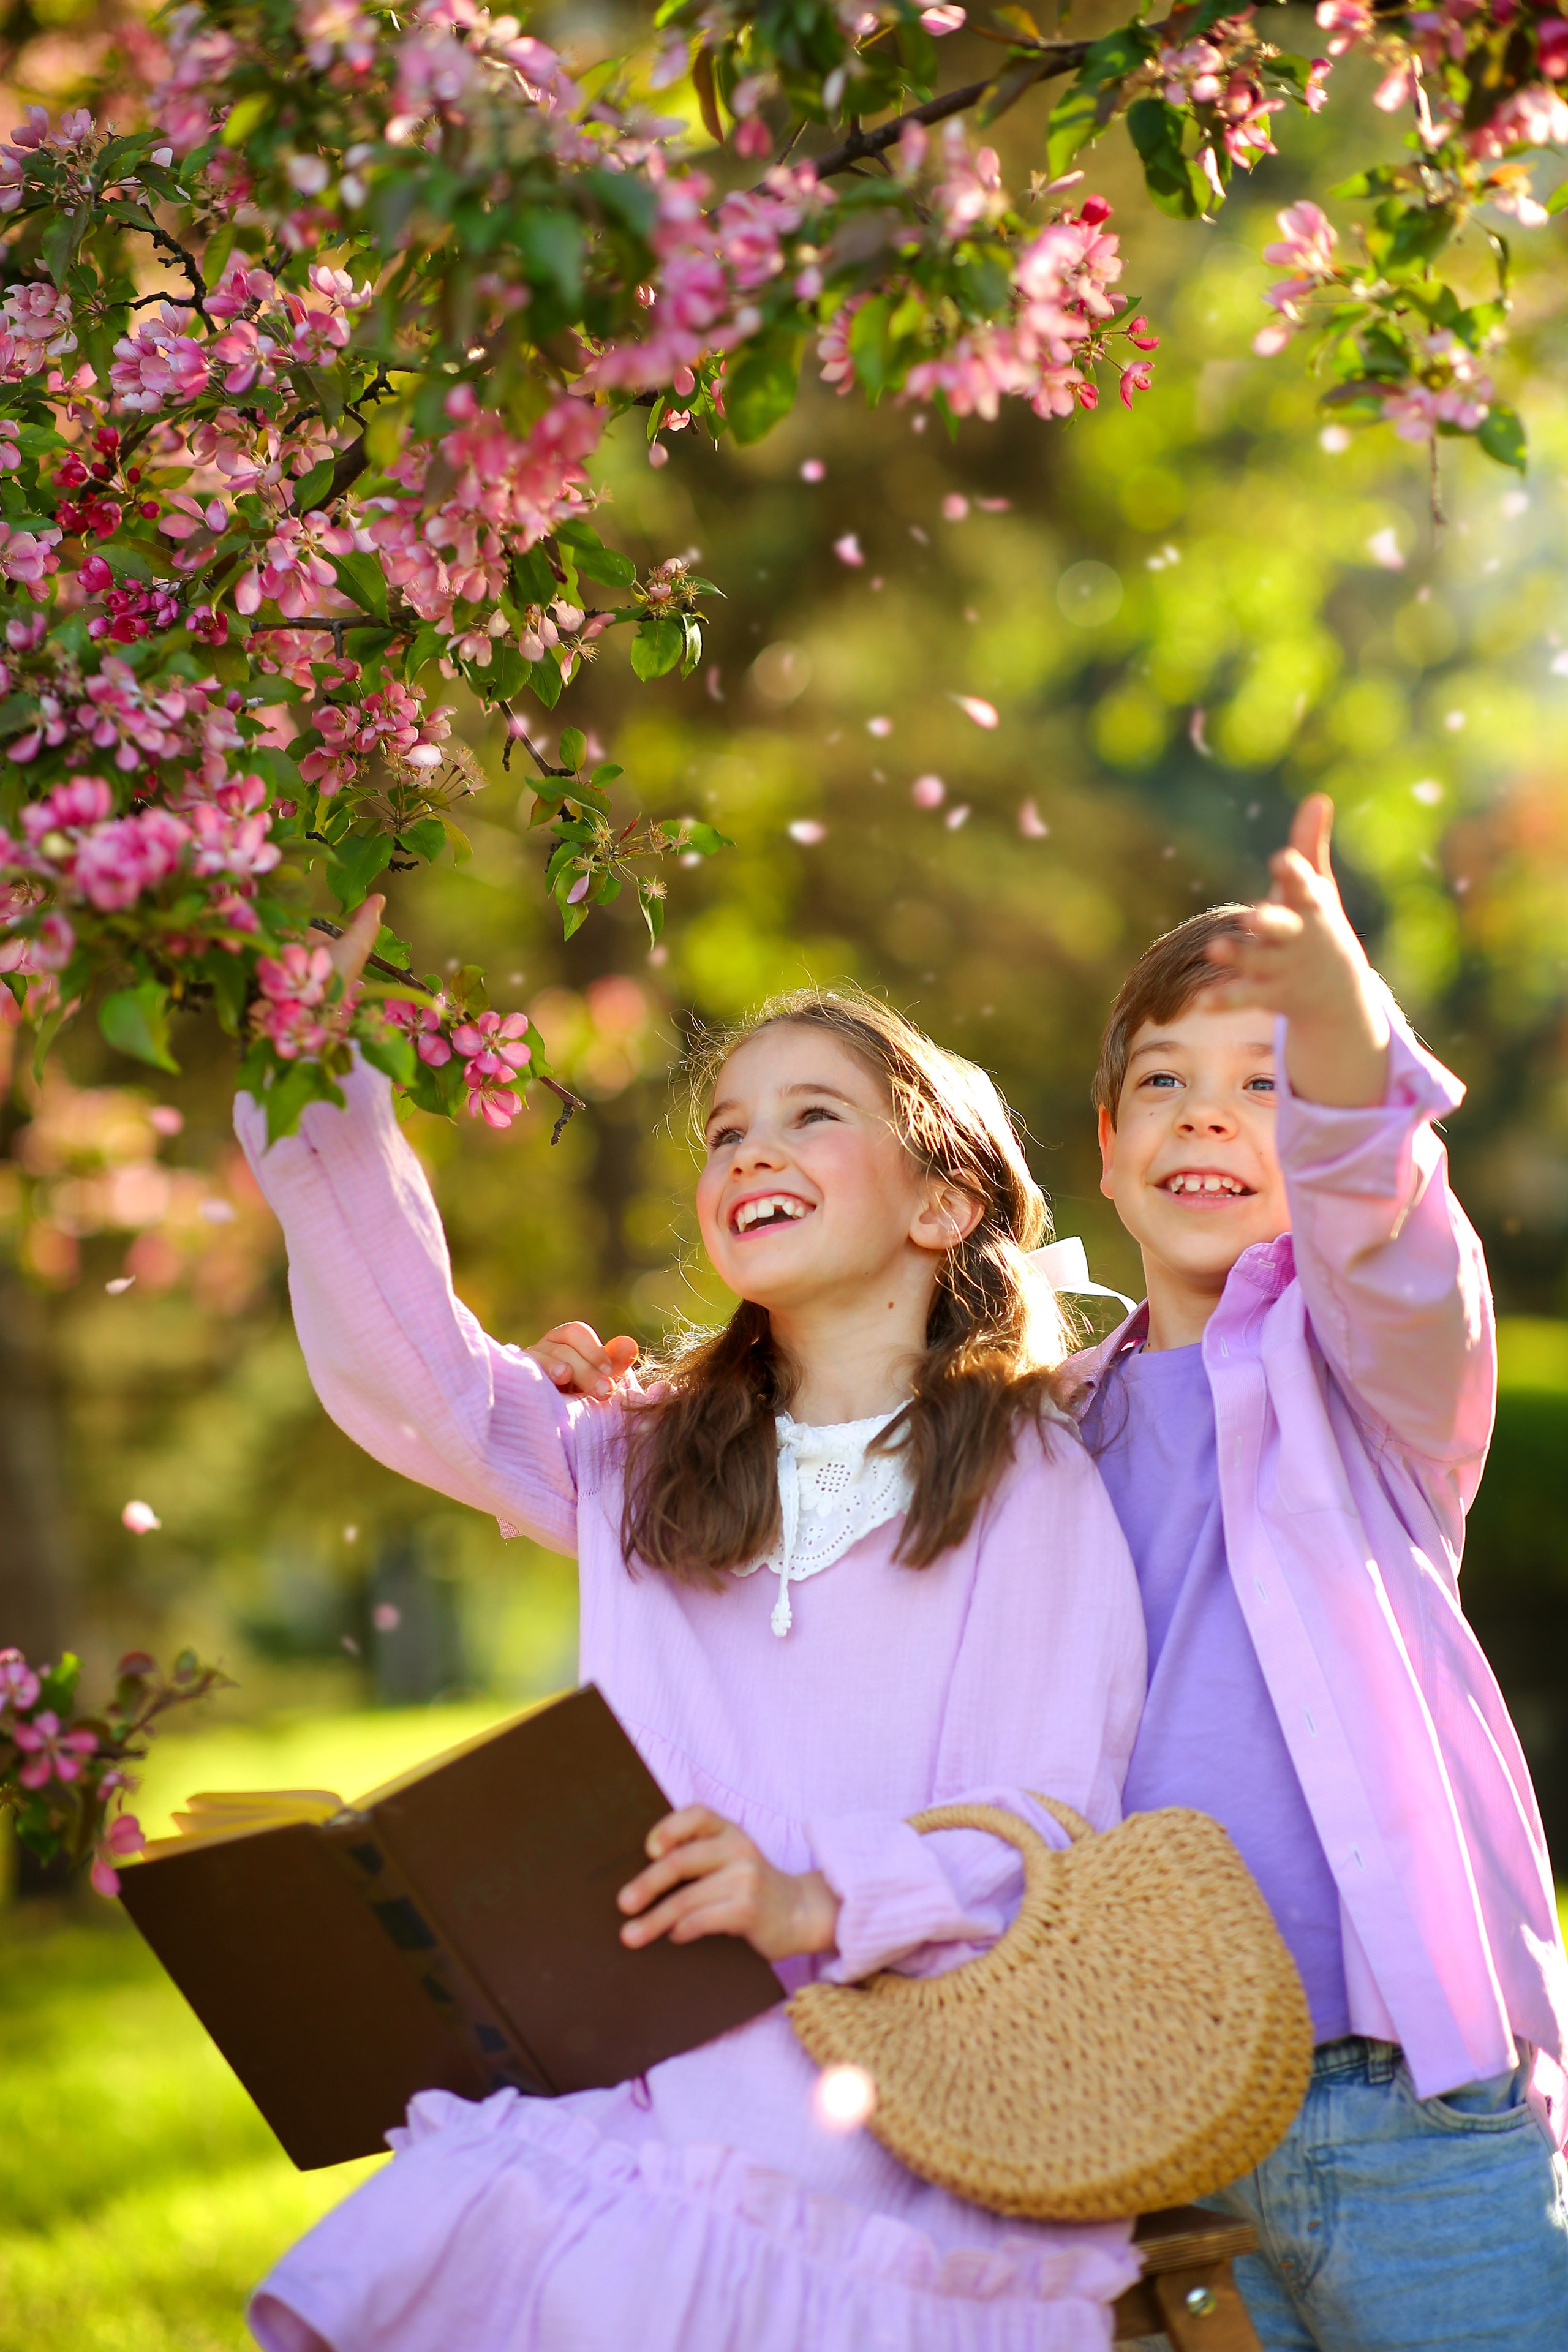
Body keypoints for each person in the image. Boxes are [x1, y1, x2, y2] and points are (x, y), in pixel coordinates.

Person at [536, 797, 1568, 2351]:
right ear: (1104, 1143)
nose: (1208, 1118)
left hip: (1400, 2093)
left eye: (1265, 1089)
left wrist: (1348, 1046)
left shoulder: (1375, 1389)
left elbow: (1392, 1240)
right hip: (1121, 2087)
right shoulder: (1032, 1433)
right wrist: (614, 1398)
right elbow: (831, 1476)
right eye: (1162, 1083)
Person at [235, 931, 1149, 2352]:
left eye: (811, 1116)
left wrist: (811, 1897)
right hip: (645, 2068)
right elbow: (419, 1382)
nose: (746, 1151)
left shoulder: (1024, 1479)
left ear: (940, 1201)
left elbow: (1045, 1816)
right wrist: (317, 1064)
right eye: (725, 1130)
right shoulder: (638, 1456)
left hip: (904, 2101)